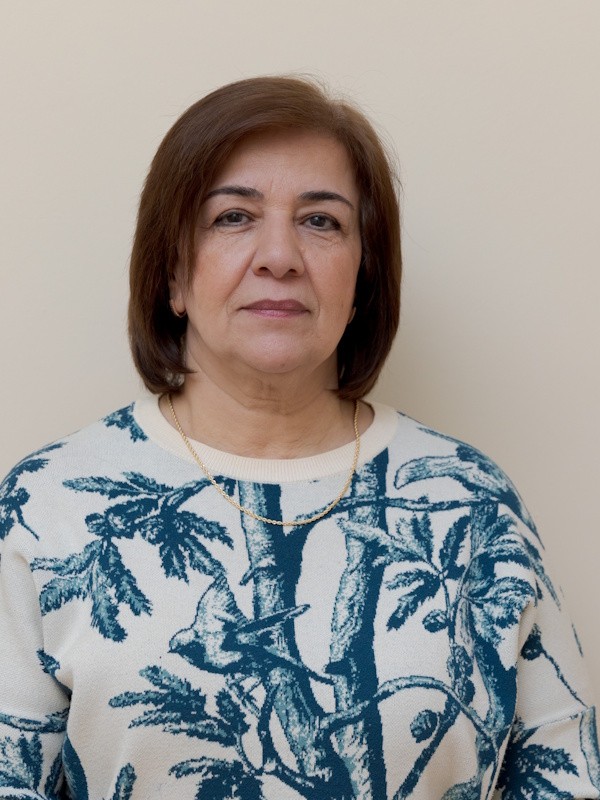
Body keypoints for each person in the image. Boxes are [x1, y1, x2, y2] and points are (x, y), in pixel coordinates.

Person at [0, 76, 598, 800]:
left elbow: (564, 770)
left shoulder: (469, 501)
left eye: (321, 221)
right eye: (232, 217)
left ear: (363, 278)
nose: (279, 255)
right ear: (172, 275)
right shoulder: (47, 507)